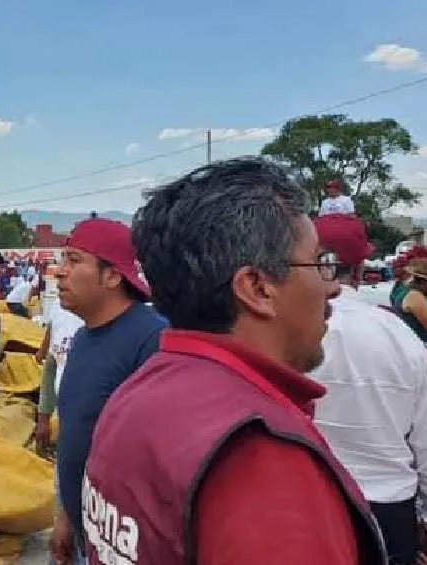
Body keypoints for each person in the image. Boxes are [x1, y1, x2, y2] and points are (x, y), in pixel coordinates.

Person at [81, 157, 387, 565]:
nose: (331, 287)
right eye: (318, 263)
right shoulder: (263, 463)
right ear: (257, 287)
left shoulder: (136, 392)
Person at [311, 227, 427, 565]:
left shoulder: (273, 333)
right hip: (387, 513)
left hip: (307, 506)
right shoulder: (394, 333)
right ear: (361, 268)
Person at [49, 217, 166, 565]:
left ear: (113, 276)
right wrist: (67, 516)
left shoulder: (152, 341)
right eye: (62, 259)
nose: (59, 272)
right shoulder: (84, 337)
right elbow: (79, 433)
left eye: (74, 260)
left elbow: (158, 462)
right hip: (87, 529)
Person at [34, 296, 84, 457]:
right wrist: (43, 421)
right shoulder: (58, 305)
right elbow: (51, 364)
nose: (62, 275)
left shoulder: (107, 318)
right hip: (66, 416)